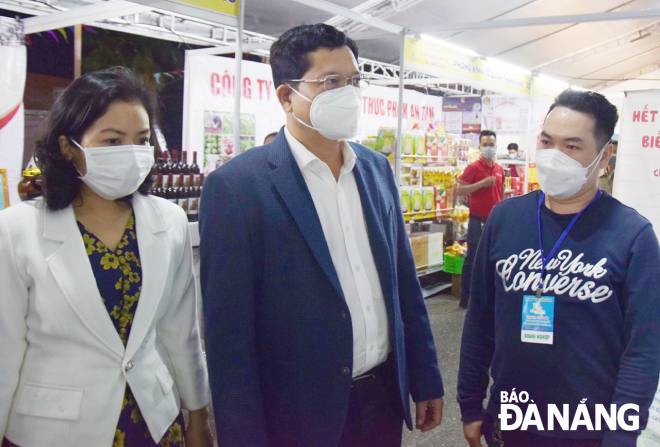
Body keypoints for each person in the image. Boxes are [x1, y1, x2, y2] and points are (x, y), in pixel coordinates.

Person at [200, 24, 444, 447]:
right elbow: (228, 335)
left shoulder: (375, 169)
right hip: (297, 413)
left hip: (381, 397)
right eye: (331, 82)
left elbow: (402, 282)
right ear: (285, 96)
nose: (348, 94)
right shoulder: (239, 187)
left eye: (353, 82)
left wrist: (425, 377)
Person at [0, 67, 212, 447]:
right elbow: (4, 349)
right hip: (57, 430)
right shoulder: (16, 230)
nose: (130, 154)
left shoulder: (168, 221)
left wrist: (198, 414)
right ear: (69, 147)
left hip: (153, 421)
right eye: (112, 141)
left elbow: (181, 333)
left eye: (141, 140)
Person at [458, 89, 660, 447]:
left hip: (589, 429)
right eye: (547, 141)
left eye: (572, 146)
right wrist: (471, 404)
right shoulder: (506, 218)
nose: (553, 157)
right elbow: (480, 320)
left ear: (604, 156)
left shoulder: (633, 236)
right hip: (509, 421)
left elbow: (643, 348)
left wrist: (621, 434)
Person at [456, 130, 504, 309]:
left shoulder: (499, 169)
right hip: (478, 219)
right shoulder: (473, 168)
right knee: (473, 258)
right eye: (485, 144)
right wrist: (481, 184)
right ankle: (465, 298)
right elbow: (459, 190)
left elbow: (501, 193)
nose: (489, 147)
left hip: (495, 220)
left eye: (491, 144)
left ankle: (487, 298)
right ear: (480, 146)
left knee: (493, 258)